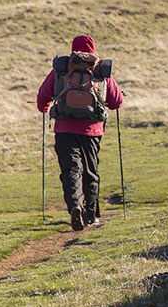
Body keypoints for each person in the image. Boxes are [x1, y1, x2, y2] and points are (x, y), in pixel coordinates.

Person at [36, 35, 123, 230]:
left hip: (64, 128)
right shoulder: (99, 69)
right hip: (92, 130)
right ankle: (90, 215)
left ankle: (75, 205)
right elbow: (116, 101)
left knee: (71, 170)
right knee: (90, 171)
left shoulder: (63, 67)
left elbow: (43, 95)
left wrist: (45, 107)